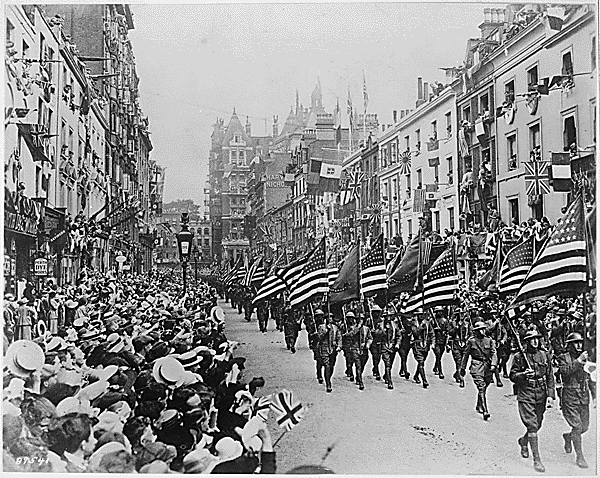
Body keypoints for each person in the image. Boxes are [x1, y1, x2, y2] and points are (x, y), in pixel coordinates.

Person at [509, 329, 555, 473]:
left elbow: (550, 375)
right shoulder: (519, 357)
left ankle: (524, 441)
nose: (535, 341)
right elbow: (512, 376)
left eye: (537, 339)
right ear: (526, 341)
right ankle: (537, 460)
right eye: (532, 339)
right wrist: (523, 374)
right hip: (526, 393)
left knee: (538, 423)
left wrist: (551, 395)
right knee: (532, 425)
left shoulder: (544, 354)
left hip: (541, 393)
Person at [557, 332, 591, 469]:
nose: (578, 345)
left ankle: (569, 436)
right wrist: (578, 361)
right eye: (575, 343)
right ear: (570, 345)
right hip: (570, 396)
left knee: (585, 427)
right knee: (577, 426)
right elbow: (564, 372)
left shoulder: (586, 356)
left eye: (580, 343)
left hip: (583, 395)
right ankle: (580, 456)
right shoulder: (563, 357)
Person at [460, 321, 497, 420]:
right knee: (481, 387)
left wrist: (493, 364)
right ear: (476, 331)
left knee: (485, 387)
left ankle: (479, 404)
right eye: (480, 329)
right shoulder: (471, 341)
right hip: (476, 366)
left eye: (484, 329)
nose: (483, 331)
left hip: (487, 367)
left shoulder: (489, 340)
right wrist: (462, 368)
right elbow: (466, 355)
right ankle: (485, 411)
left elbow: (494, 353)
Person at [316, 312, 342, 393]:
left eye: (331, 317)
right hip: (324, 348)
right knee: (327, 365)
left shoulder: (335, 327)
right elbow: (319, 337)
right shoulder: (321, 327)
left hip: (333, 349)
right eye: (328, 317)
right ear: (325, 319)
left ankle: (328, 377)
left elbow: (339, 338)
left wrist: (339, 346)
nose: (329, 319)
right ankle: (328, 383)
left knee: (331, 366)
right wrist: (326, 331)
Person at [349, 314, 373, 391]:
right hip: (355, 349)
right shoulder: (352, 328)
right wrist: (357, 328)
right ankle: (360, 381)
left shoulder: (366, 329)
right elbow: (349, 335)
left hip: (364, 349)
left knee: (362, 364)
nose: (360, 321)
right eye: (358, 319)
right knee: (358, 365)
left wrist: (368, 344)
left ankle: (358, 376)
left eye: (362, 319)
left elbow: (370, 338)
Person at [448, 309, 471, 388]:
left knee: (463, 363)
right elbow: (450, 332)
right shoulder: (452, 323)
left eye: (462, 314)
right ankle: (461, 379)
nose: (461, 316)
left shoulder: (467, 323)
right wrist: (457, 327)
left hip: (464, 345)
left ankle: (456, 374)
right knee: (458, 361)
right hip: (456, 344)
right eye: (460, 314)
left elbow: (471, 334)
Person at [411, 313, 434, 389]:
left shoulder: (427, 323)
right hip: (417, 345)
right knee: (421, 362)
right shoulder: (413, 323)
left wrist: (433, 342)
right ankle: (424, 381)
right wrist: (421, 327)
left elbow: (432, 333)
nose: (421, 316)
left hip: (425, 345)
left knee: (422, 362)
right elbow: (415, 333)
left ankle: (416, 375)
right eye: (419, 315)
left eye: (422, 314)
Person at [381, 311, 399, 390]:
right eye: (386, 316)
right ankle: (390, 382)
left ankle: (386, 375)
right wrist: (384, 331)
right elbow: (376, 335)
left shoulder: (394, 325)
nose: (388, 318)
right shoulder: (380, 325)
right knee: (387, 364)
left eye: (389, 316)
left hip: (392, 346)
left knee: (390, 363)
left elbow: (399, 335)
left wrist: (397, 343)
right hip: (384, 346)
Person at [431, 308, 448, 380]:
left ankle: (435, 367)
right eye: (438, 312)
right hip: (435, 340)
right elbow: (430, 331)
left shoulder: (445, 321)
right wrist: (435, 329)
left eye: (440, 312)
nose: (439, 313)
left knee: (440, 356)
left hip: (443, 340)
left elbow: (447, 330)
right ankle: (440, 372)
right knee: (438, 355)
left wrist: (443, 332)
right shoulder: (432, 321)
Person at [369, 306, 385, 381]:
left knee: (379, 357)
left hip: (381, 341)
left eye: (378, 312)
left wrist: (376, 331)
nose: (376, 313)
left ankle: (375, 367)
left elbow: (382, 331)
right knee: (375, 356)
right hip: (373, 342)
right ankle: (377, 371)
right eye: (375, 312)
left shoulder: (382, 321)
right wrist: (370, 331)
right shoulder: (369, 321)